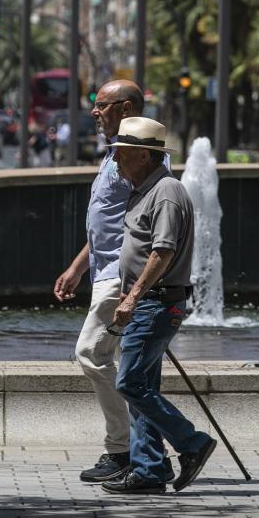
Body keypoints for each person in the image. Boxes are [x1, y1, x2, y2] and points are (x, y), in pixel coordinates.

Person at [53, 80, 174, 484]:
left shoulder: (140, 160)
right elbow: (106, 225)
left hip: (121, 279)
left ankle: (124, 450)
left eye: (100, 105)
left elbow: (147, 230)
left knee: (90, 353)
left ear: (124, 109)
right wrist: (77, 268)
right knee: (131, 370)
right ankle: (144, 456)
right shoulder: (117, 156)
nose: (94, 111)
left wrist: (135, 287)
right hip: (105, 272)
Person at [101, 116, 217, 495]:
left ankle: (193, 443)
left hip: (155, 303)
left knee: (131, 383)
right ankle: (150, 469)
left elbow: (161, 252)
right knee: (143, 388)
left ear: (143, 155)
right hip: (147, 301)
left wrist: (134, 296)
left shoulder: (165, 191)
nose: (115, 160)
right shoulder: (144, 189)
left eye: (121, 153)